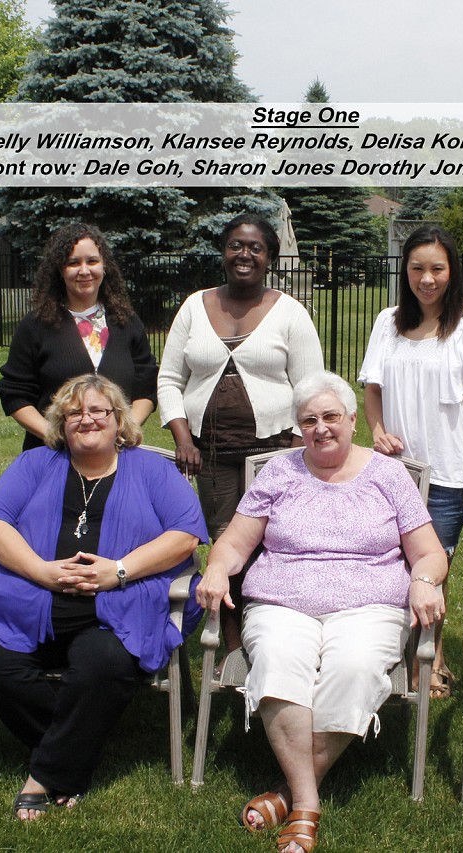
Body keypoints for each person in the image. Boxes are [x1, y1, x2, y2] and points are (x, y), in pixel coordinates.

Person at [196, 372, 448, 853]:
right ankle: (308, 805)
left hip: (369, 606)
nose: (321, 428)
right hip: (281, 602)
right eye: (308, 420)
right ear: (298, 427)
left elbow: (430, 554)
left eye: (331, 416)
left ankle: (290, 793)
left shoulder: (388, 475)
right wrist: (215, 570)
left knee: (354, 667)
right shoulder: (279, 473)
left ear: (353, 420)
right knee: (276, 658)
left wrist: (422, 581)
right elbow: (234, 541)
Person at [0, 374, 207, 821]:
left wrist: (118, 570)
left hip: (115, 610)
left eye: (99, 411)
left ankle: (48, 771)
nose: (87, 419)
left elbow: (186, 535)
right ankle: (77, 747)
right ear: (60, 422)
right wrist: (42, 572)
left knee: (102, 661)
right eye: (75, 412)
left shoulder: (150, 469)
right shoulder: (34, 465)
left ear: (119, 421)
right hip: (33, 604)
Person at [159, 212, 323, 649]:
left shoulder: (290, 313)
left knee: (269, 543)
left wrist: (292, 451)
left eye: (255, 247)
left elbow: (309, 388)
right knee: (222, 540)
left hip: (270, 453)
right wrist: (182, 438)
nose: (244, 254)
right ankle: (230, 639)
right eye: (235, 245)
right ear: (223, 251)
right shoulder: (195, 306)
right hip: (208, 451)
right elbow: (169, 380)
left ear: (269, 257)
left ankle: (271, 632)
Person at [359, 224, 463, 699]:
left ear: (452, 272)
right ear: (405, 271)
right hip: (394, 471)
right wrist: (378, 432)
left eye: (437, 269)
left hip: (446, 472)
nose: (427, 278)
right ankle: (388, 649)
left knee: (434, 565)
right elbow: (372, 389)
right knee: (391, 562)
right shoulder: (388, 322)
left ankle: (432, 655)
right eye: (418, 268)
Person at [0, 222, 158, 451]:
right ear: (60, 270)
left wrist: (126, 428)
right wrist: (54, 435)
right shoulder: (36, 326)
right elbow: (14, 394)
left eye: (92, 261)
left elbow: (146, 388)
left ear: (104, 266)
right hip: (53, 455)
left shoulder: (127, 322)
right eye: (73, 263)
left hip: (116, 455)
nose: (84, 271)